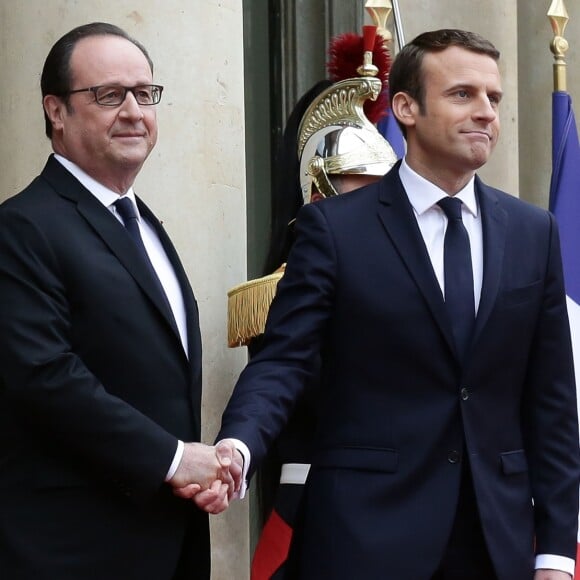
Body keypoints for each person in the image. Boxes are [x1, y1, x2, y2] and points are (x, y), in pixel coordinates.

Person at [215, 29, 580, 579]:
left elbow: (552, 404)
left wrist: (554, 553)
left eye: (494, 99)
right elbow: (284, 361)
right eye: (463, 94)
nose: (485, 113)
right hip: (364, 539)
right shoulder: (335, 229)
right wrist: (239, 445)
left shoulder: (534, 232)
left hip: (495, 543)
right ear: (405, 108)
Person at [0, 22, 234, 580]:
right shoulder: (22, 227)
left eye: (145, 94)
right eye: (109, 95)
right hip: (69, 549)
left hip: (166, 544)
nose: (134, 111)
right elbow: (44, 376)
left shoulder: (144, 223)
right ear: (56, 111)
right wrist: (175, 459)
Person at [228, 30, 397, 580]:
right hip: (314, 505)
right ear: (319, 192)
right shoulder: (280, 288)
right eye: (362, 188)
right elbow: (286, 377)